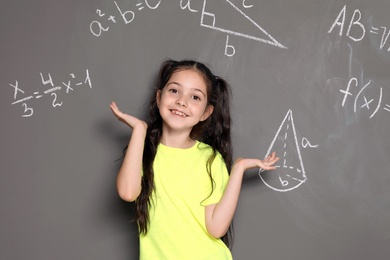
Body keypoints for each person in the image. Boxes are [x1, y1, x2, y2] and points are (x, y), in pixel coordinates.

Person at [110, 59, 279, 259]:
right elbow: (128, 193)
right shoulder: (143, 151)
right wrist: (140, 130)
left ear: (206, 112)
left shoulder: (210, 159)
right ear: (158, 97)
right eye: (174, 91)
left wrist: (239, 168)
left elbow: (216, 229)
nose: (182, 101)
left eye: (195, 97)